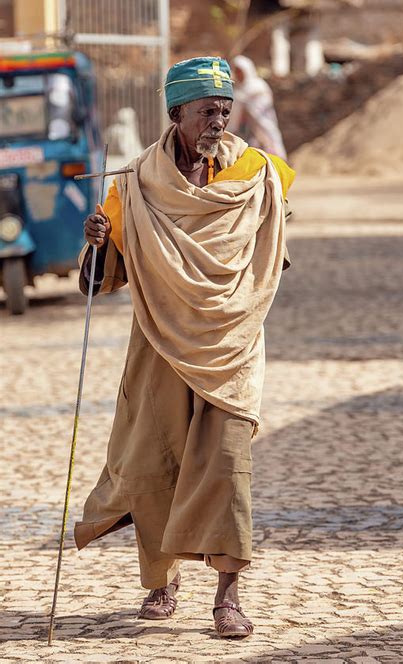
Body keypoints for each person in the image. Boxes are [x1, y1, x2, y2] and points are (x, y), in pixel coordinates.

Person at [75, 56, 295, 638]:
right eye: (206, 112)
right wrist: (97, 243)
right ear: (176, 114)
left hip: (231, 343)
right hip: (156, 342)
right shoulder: (133, 184)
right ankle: (159, 579)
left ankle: (228, 594)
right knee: (153, 462)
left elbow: (273, 252)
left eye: (225, 110)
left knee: (227, 465)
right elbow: (98, 281)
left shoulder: (257, 173)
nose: (218, 121)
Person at [226, 54, 287, 159]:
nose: (238, 74)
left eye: (240, 71)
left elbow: (261, 106)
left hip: (263, 123)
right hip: (247, 129)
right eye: (237, 71)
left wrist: (246, 105)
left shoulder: (258, 86)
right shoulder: (237, 89)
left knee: (270, 142)